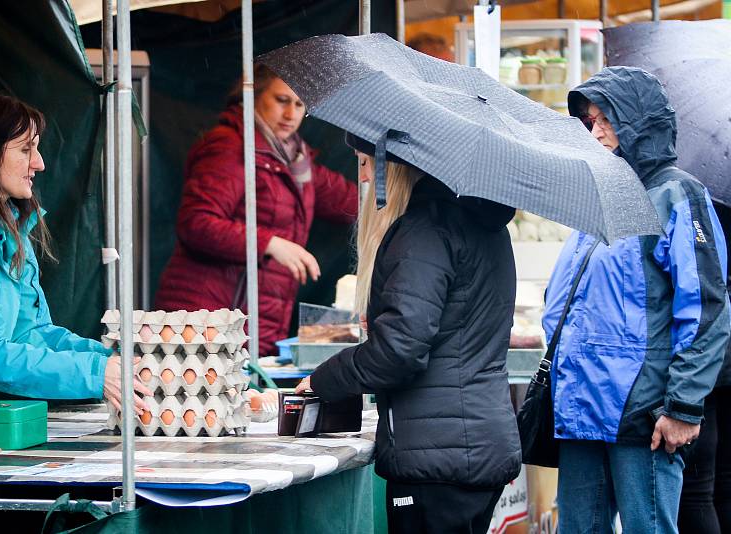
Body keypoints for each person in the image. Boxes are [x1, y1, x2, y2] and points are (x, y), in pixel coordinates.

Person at [296, 136, 521, 533]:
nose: (363, 176)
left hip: (437, 460)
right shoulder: (483, 227)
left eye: (365, 163)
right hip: (474, 447)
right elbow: (447, 328)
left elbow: (399, 350)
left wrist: (323, 379)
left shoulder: (424, 231)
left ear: (393, 166)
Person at [543, 67, 730, 533]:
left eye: (607, 117)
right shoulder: (603, 192)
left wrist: (683, 407)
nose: (597, 130)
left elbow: (705, 308)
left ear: (639, 122)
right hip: (582, 409)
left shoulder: (678, 194)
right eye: (591, 120)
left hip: (641, 413)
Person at [0, 94, 151, 422]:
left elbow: (30, 333)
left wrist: (112, 358)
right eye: (25, 149)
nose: (40, 163)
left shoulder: (4, 223)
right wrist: (95, 373)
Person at [154, 64, 358, 356]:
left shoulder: (295, 160)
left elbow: (349, 199)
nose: (291, 114)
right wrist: (270, 244)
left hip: (250, 320)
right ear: (252, 96)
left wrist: (397, 201)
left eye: (300, 104)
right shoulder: (230, 146)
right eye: (282, 100)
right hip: (205, 319)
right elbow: (196, 223)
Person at [678, 202, 731, 534]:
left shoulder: (699, 204)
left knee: (696, 492)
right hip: (721, 358)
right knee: (724, 482)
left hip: (710, 359)